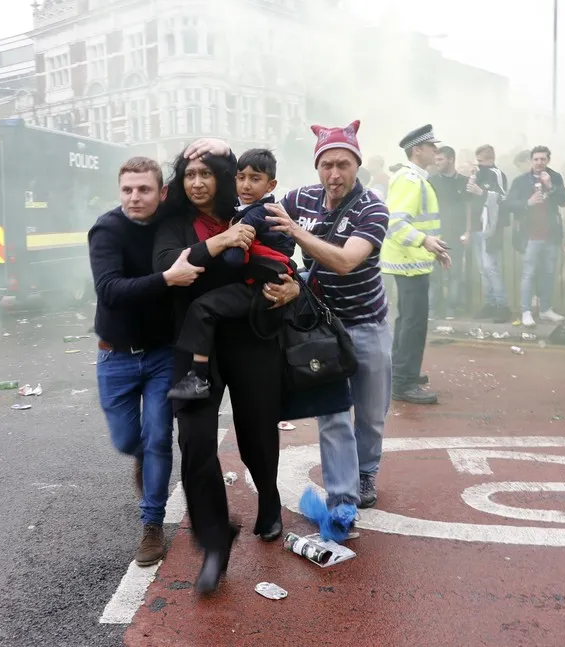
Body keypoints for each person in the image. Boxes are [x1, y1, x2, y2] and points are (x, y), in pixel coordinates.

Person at [154, 142, 300, 595]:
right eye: (188, 175)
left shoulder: (249, 208)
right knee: (195, 442)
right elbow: (167, 267)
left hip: (253, 337)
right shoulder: (174, 222)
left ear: (223, 175)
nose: (196, 182)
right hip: (195, 348)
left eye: (205, 173)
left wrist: (294, 287)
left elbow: (290, 259)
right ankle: (215, 543)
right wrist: (217, 244)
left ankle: (269, 500)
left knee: (257, 430)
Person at [265, 120, 393, 512]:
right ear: (317, 167)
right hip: (320, 326)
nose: (334, 174)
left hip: (366, 323)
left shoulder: (373, 208)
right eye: (327, 165)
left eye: (343, 164)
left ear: (357, 165)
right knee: (332, 413)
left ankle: (367, 471)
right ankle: (344, 494)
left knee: (371, 413)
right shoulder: (297, 200)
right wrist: (289, 279)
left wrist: (295, 233)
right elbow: (269, 245)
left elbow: (344, 262)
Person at [88, 156, 204, 568]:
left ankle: (151, 524)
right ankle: (144, 458)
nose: (134, 198)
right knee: (127, 440)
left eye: (144, 190)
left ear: (162, 193)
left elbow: (208, 188)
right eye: (127, 190)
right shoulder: (106, 230)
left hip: (160, 356)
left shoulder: (172, 222)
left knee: (159, 438)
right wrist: (167, 280)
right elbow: (111, 290)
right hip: (115, 356)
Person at [167, 149, 295, 400]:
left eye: (255, 178)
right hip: (266, 282)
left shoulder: (256, 213)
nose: (246, 185)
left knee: (202, 308)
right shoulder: (257, 209)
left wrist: (223, 245)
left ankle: (198, 377)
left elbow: (235, 258)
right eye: (241, 177)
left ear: (271, 184)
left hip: (263, 286)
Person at [381, 125, 450, 405]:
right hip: (409, 262)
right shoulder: (410, 179)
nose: (437, 150)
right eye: (432, 146)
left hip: (412, 261)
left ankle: (401, 371)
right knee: (414, 322)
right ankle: (403, 382)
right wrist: (425, 242)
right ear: (417, 149)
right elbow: (395, 223)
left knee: (408, 319)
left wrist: (433, 247)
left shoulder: (415, 178)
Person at [505, 146, 565, 328]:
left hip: (551, 234)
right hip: (530, 234)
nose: (539, 163)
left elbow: (564, 201)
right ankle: (526, 311)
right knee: (529, 273)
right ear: (531, 161)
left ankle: (545, 309)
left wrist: (550, 186)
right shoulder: (520, 180)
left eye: (543, 159)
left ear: (548, 160)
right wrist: (527, 203)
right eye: (536, 159)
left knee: (548, 273)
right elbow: (509, 203)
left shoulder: (555, 177)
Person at [467, 145, 511, 323]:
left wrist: (482, 192)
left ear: (491, 159)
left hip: (491, 227)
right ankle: (489, 303)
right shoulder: (477, 173)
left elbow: (503, 198)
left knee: (491, 267)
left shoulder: (496, 174)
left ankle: (503, 306)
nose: (479, 165)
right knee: (483, 269)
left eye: (482, 161)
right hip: (477, 225)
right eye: (477, 161)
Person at [429, 145, 471, 320]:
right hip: (435, 233)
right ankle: (432, 308)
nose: (436, 162)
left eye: (440, 159)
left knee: (454, 273)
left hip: (456, 233)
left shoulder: (464, 181)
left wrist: (468, 231)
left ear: (451, 159)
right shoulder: (431, 181)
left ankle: (451, 309)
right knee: (434, 274)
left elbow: (469, 207)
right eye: (436, 159)